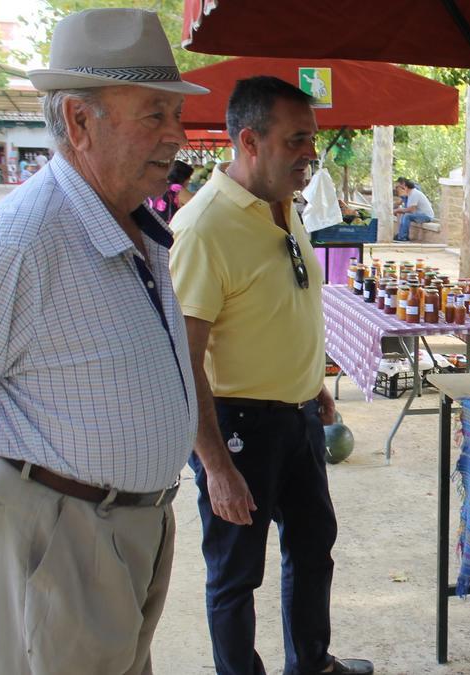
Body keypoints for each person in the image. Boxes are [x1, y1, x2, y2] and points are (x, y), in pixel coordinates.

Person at [0, 9, 206, 673]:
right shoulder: (24, 242)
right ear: (78, 121)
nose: (176, 136)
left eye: (175, 115)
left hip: (123, 527)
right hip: (63, 533)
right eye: (155, 114)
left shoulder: (120, 218)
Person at [169, 75, 373, 675]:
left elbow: (281, 305)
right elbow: (184, 359)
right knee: (236, 574)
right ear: (250, 141)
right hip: (236, 427)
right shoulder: (204, 228)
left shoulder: (283, 205)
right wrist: (214, 465)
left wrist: (313, 389)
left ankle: (311, 664)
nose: (311, 153)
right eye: (297, 140)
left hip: (298, 418)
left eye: (313, 138)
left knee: (313, 550)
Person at [392, 177, 434, 241]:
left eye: (401, 188)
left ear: (405, 187)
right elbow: (405, 206)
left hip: (426, 216)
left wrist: (398, 210)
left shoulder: (414, 194)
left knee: (407, 216)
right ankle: (400, 235)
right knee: (404, 215)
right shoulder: (410, 194)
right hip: (420, 214)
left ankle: (403, 237)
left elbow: (411, 210)